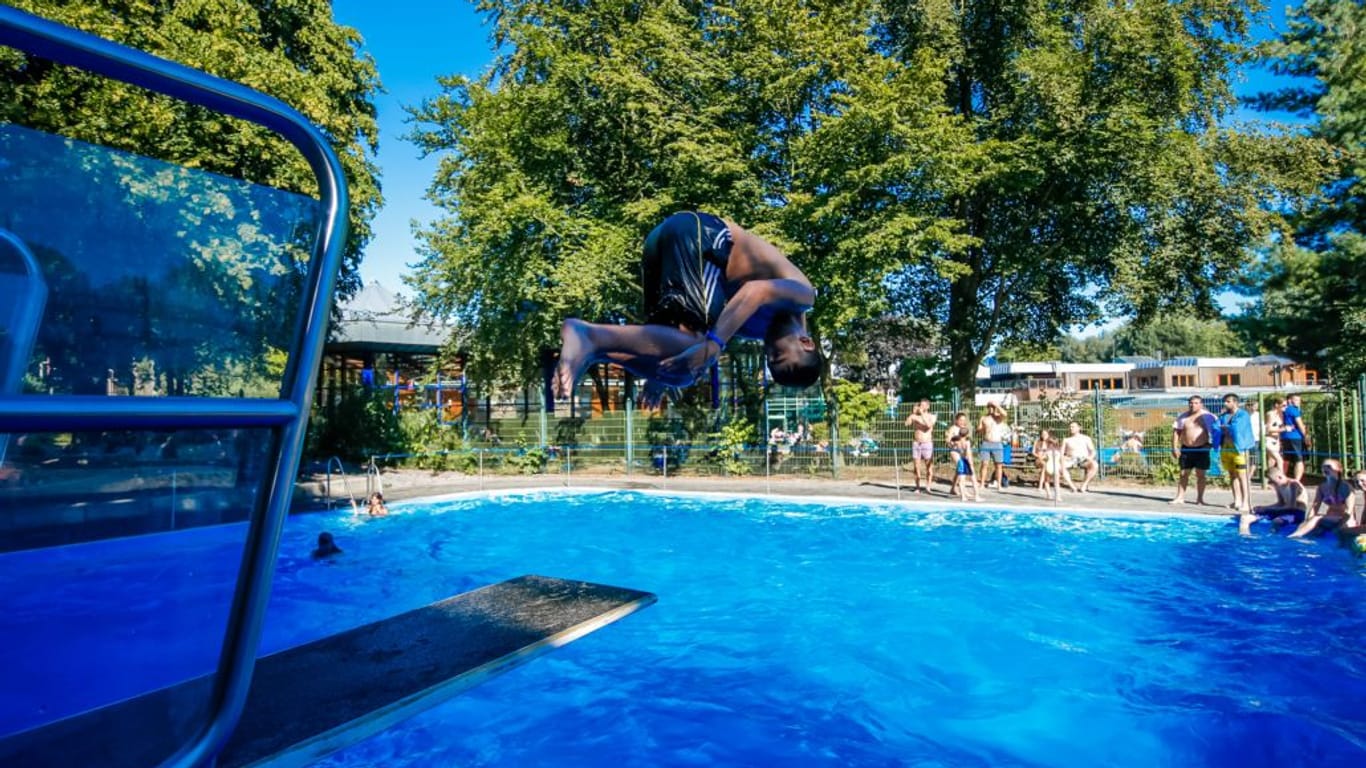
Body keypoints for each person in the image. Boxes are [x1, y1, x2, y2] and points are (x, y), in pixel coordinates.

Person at [554, 212, 821, 405]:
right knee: (701, 349)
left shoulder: (758, 328)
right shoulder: (803, 297)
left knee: (685, 368)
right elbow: (756, 291)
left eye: (769, 357)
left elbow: (688, 343)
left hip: (662, 245)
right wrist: (713, 346)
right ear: (806, 342)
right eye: (779, 353)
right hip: (703, 236)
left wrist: (661, 378)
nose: (769, 348)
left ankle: (593, 351)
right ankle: (589, 335)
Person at [1170, 395, 1220, 505]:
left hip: (1202, 449)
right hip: (1186, 449)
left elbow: (1216, 431)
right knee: (1183, 474)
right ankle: (1180, 497)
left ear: (1201, 404)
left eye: (1196, 403)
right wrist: (1174, 447)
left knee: (1201, 475)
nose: (1193, 405)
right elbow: (1176, 432)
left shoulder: (1208, 417)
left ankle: (1200, 499)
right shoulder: (1183, 417)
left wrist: (1211, 445)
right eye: (1191, 403)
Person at [1289, 459, 1356, 538]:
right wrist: (1307, 520)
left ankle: (1293, 537)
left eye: (1328, 466)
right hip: (1329, 519)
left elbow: (1349, 510)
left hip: (1345, 521)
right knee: (1310, 528)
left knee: (1317, 518)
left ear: (1339, 469)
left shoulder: (1346, 487)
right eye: (1323, 466)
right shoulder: (1322, 487)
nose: (1325, 468)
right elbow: (1315, 506)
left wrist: (1339, 525)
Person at [1238, 466, 1309, 535]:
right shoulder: (1278, 485)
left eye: (1272, 481)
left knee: (1277, 521)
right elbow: (1280, 503)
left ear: (1279, 477)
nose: (1272, 484)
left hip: (1296, 513)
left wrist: (1266, 509)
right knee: (1245, 518)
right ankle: (1245, 536)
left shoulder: (1294, 485)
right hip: (1284, 510)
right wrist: (1263, 508)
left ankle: (1273, 539)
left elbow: (1291, 506)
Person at [1218, 393, 1256, 514]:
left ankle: (1246, 502)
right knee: (1232, 475)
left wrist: (1226, 427)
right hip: (1226, 448)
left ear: (1235, 402)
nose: (1226, 404)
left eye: (1228, 401)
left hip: (1239, 449)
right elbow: (1217, 427)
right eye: (1225, 401)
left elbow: (1237, 428)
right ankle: (1237, 500)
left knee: (1242, 476)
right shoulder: (1224, 416)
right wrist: (1224, 428)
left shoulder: (1243, 414)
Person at [905, 399, 938, 493]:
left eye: (924, 406)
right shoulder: (915, 416)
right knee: (916, 466)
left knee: (929, 466)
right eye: (920, 405)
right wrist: (912, 414)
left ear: (928, 407)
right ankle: (917, 487)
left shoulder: (932, 416)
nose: (921, 407)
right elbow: (906, 424)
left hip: (927, 443)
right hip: (916, 443)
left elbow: (928, 425)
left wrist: (922, 414)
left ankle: (928, 486)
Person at [947, 413, 980, 502]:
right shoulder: (953, 428)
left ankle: (953, 488)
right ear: (956, 420)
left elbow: (967, 441)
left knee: (960, 470)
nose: (962, 422)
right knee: (961, 467)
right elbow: (948, 440)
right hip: (955, 451)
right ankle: (963, 491)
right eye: (961, 420)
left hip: (963, 451)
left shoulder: (964, 429)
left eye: (964, 420)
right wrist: (953, 444)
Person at [976, 402, 1009, 490]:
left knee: (998, 465)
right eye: (990, 407)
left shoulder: (999, 418)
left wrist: (997, 405)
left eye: (993, 407)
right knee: (984, 464)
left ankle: (999, 485)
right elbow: (979, 429)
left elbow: (1005, 414)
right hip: (986, 443)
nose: (991, 409)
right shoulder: (984, 418)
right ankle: (982, 483)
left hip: (997, 443)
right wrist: (980, 429)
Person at [1060, 422, 1099, 493]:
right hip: (1071, 460)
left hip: (1083, 460)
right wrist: (1063, 458)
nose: (1071, 428)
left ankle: (1084, 485)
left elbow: (1093, 451)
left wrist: (1090, 457)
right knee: (1061, 466)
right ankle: (1072, 486)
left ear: (1079, 428)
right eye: (1070, 427)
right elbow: (1061, 453)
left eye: (1073, 427)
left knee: (1095, 465)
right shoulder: (1066, 440)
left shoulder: (1086, 438)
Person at [1280, 393, 1310, 484]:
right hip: (1296, 437)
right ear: (1290, 400)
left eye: (1299, 400)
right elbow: (1299, 424)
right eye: (1296, 400)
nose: (1299, 402)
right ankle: (1297, 481)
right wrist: (1306, 436)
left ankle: (1282, 478)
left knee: (1286, 459)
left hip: (1285, 436)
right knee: (1299, 459)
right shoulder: (1293, 410)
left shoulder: (1283, 410)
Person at [1032, 429, 1061, 496]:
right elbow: (1033, 452)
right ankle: (1040, 485)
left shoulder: (1050, 442)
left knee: (1046, 465)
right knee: (1044, 465)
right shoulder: (1037, 441)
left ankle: (1043, 485)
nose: (1044, 435)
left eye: (1045, 434)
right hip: (1039, 459)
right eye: (1042, 434)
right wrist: (1038, 456)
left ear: (1048, 435)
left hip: (1048, 459)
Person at [1263, 398, 1284, 477]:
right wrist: (1283, 429)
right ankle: (1282, 479)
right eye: (1283, 405)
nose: (1284, 407)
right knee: (1279, 460)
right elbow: (1268, 429)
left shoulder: (1278, 415)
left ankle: (1269, 480)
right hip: (1269, 440)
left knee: (1271, 461)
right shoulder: (1270, 414)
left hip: (1276, 440)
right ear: (1276, 405)